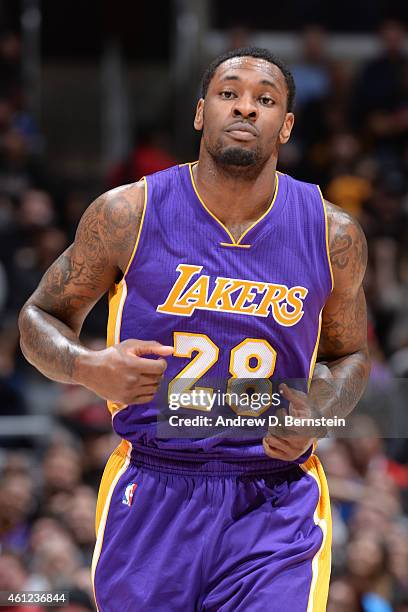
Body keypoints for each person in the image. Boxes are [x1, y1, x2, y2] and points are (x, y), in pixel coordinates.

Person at [18, 47, 370, 611]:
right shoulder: (127, 213)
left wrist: (319, 414)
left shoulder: (333, 235)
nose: (246, 108)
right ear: (200, 112)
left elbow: (350, 355)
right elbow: (37, 317)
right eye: (229, 93)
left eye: (266, 99)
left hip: (274, 497)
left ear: (286, 127)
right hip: (154, 485)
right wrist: (88, 367)